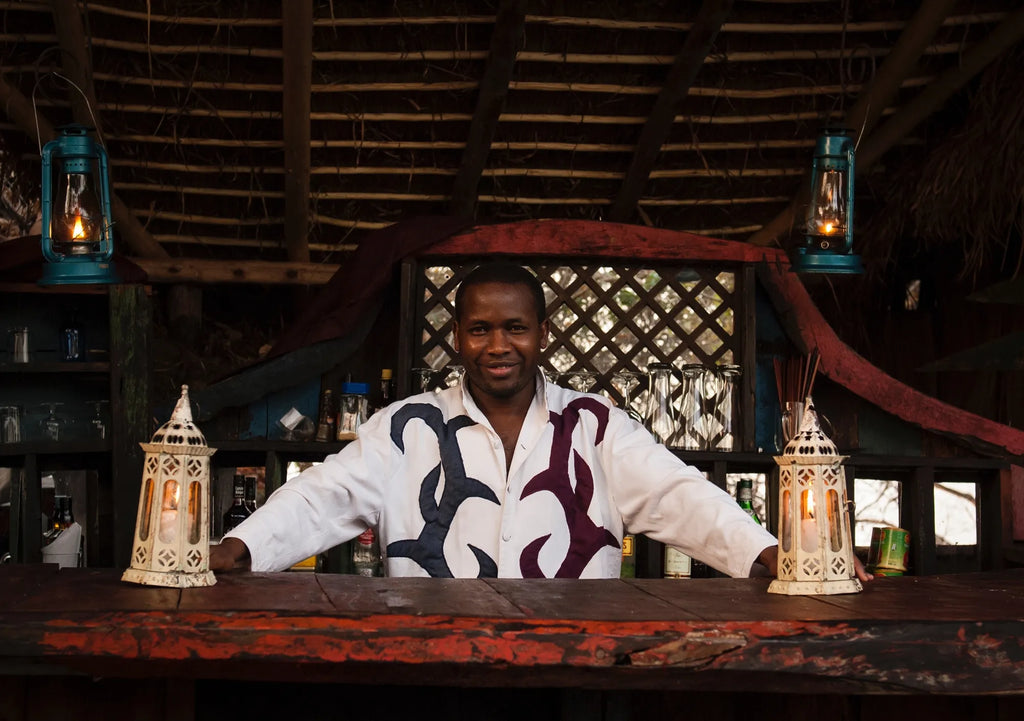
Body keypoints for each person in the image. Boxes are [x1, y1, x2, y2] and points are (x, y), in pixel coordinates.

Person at [211, 262, 870, 581]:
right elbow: (323, 493)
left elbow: (681, 496)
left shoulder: (598, 426)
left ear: (543, 334)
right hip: (432, 674)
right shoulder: (407, 426)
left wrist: (772, 554)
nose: (498, 344)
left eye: (515, 327)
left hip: (572, 673)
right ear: (458, 338)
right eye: (480, 329)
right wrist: (238, 548)